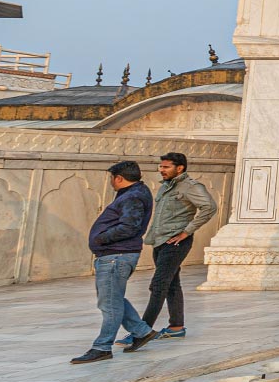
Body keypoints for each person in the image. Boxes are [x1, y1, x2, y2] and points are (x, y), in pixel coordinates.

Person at [71, 160, 158, 364]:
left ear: (118, 178)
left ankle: (102, 346)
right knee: (112, 298)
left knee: (109, 302)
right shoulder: (134, 193)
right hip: (116, 255)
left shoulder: (133, 196)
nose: (111, 182)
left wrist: (101, 238)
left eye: (112, 178)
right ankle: (141, 331)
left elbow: (129, 227)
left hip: (116, 255)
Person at [140, 151, 217, 339]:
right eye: (161, 166)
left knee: (158, 285)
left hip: (176, 242)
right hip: (160, 241)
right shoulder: (165, 187)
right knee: (172, 284)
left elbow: (209, 207)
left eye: (166, 167)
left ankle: (140, 331)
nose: (161, 170)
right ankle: (176, 327)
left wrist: (186, 231)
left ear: (179, 168)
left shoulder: (190, 186)